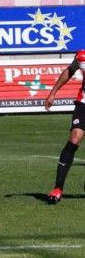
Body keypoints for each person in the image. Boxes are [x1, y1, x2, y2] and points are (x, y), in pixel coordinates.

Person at [44, 50, 85, 204]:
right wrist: (53, 92)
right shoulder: (81, 56)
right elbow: (70, 71)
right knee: (74, 138)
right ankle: (58, 188)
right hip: (84, 104)